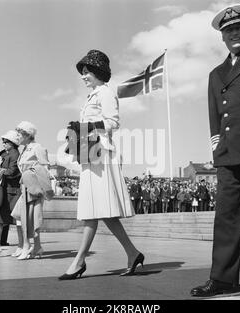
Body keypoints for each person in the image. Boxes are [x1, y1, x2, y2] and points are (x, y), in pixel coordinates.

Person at [191, 4, 240, 297]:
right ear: (222, 37)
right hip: (231, 153)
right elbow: (215, 117)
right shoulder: (216, 73)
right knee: (227, 218)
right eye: (228, 30)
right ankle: (222, 279)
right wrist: (217, 148)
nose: (234, 33)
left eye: (239, 28)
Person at [59, 49, 144, 280]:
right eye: (83, 72)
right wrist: (78, 130)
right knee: (102, 212)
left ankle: (78, 261)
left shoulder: (106, 93)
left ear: (97, 71)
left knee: (93, 212)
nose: (83, 76)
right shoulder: (93, 95)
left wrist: (84, 127)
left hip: (101, 154)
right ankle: (133, 253)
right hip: (91, 153)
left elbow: (112, 123)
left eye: (87, 72)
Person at [11, 121, 50, 260]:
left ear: (27, 135)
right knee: (21, 216)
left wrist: (43, 189)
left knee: (32, 217)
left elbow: (45, 168)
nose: (17, 137)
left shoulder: (37, 148)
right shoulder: (25, 150)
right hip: (25, 188)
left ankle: (29, 246)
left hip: (34, 188)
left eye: (19, 134)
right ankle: (35, 246)